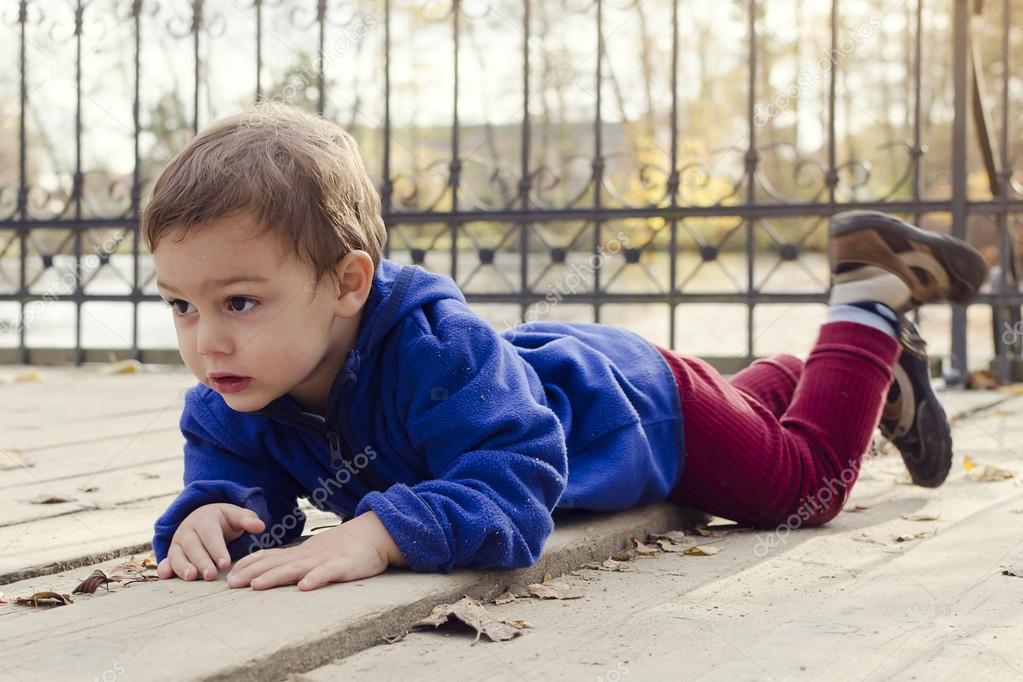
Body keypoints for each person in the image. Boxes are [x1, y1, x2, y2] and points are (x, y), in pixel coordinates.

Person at [147, 103, 988, 591]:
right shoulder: (231, 394)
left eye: (241, 301)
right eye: (182, 306)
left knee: (801, 486)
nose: (207, 340)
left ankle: (868, 302)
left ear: (347, 283)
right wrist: (212, 518)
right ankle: (817, 377)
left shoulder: (434, 352)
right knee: (772, 424)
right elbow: (240, 493)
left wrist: (379, 534)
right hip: (566, 374)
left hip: (645, 410)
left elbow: (514, 489)